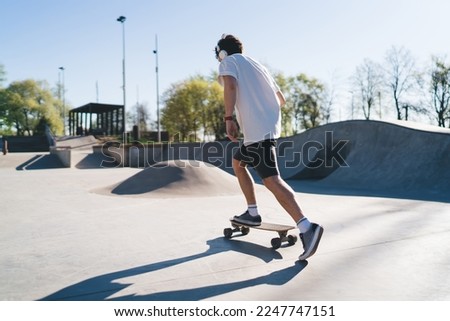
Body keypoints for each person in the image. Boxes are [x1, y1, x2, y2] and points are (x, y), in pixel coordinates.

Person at [215, 34, 323, 260]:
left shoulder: (228, 62)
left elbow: (231, 86)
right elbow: (281, 99)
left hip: (257, 132)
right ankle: (252, 212)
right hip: (265, 129)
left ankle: (307, 227)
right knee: (238, 162)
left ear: (222, 53)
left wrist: (229, 118)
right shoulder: (258, 66)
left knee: (271, 180)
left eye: (217, 56)